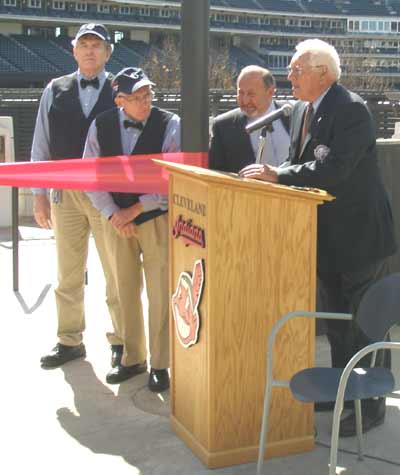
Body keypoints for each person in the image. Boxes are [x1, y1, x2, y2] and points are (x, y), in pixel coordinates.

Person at [239, 39, 397, 436]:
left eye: (296, 70)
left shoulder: (352, 110)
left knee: (365, 324)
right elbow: (297, 164)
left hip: (358, 237)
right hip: (324, 236)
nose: (288, 77)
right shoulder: (301, 111)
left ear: (322, 72)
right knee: (338, 322)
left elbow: (334, 170)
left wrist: (279, 174)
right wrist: (276, 173)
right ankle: (342, 388)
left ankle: (370, 404)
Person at [31, 23, 125, 372]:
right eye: (83, 44)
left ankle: (122, 340)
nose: (89, 50)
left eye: (96, 45)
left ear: (107, 52)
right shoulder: (55, 89)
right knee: (68, 272)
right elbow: (40, 144)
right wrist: (39, 195)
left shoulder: (121, 88)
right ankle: (69, 340)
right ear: (74, 51)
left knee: (117, 271)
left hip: (108, 193)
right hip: (65, 194)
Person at [83, 67, 180, 391]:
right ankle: (132, 357)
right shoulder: (101, 125)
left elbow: (174, 178)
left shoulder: (171, 124)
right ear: (119, 100)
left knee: (160, 293)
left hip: (155, 220)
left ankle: (161, 363)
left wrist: (136, 208)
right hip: (117, 224)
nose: (145, 102)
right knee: (123, 291)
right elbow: (91, 175)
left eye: (148, 95)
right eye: (137, 97)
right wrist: (113, 215)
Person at [209, 65, 290, 173]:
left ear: (270, 92)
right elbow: (215, 171)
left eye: (251, 94)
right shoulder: (223, 126)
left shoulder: (293, 114)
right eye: (240, 93)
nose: (245, 100)